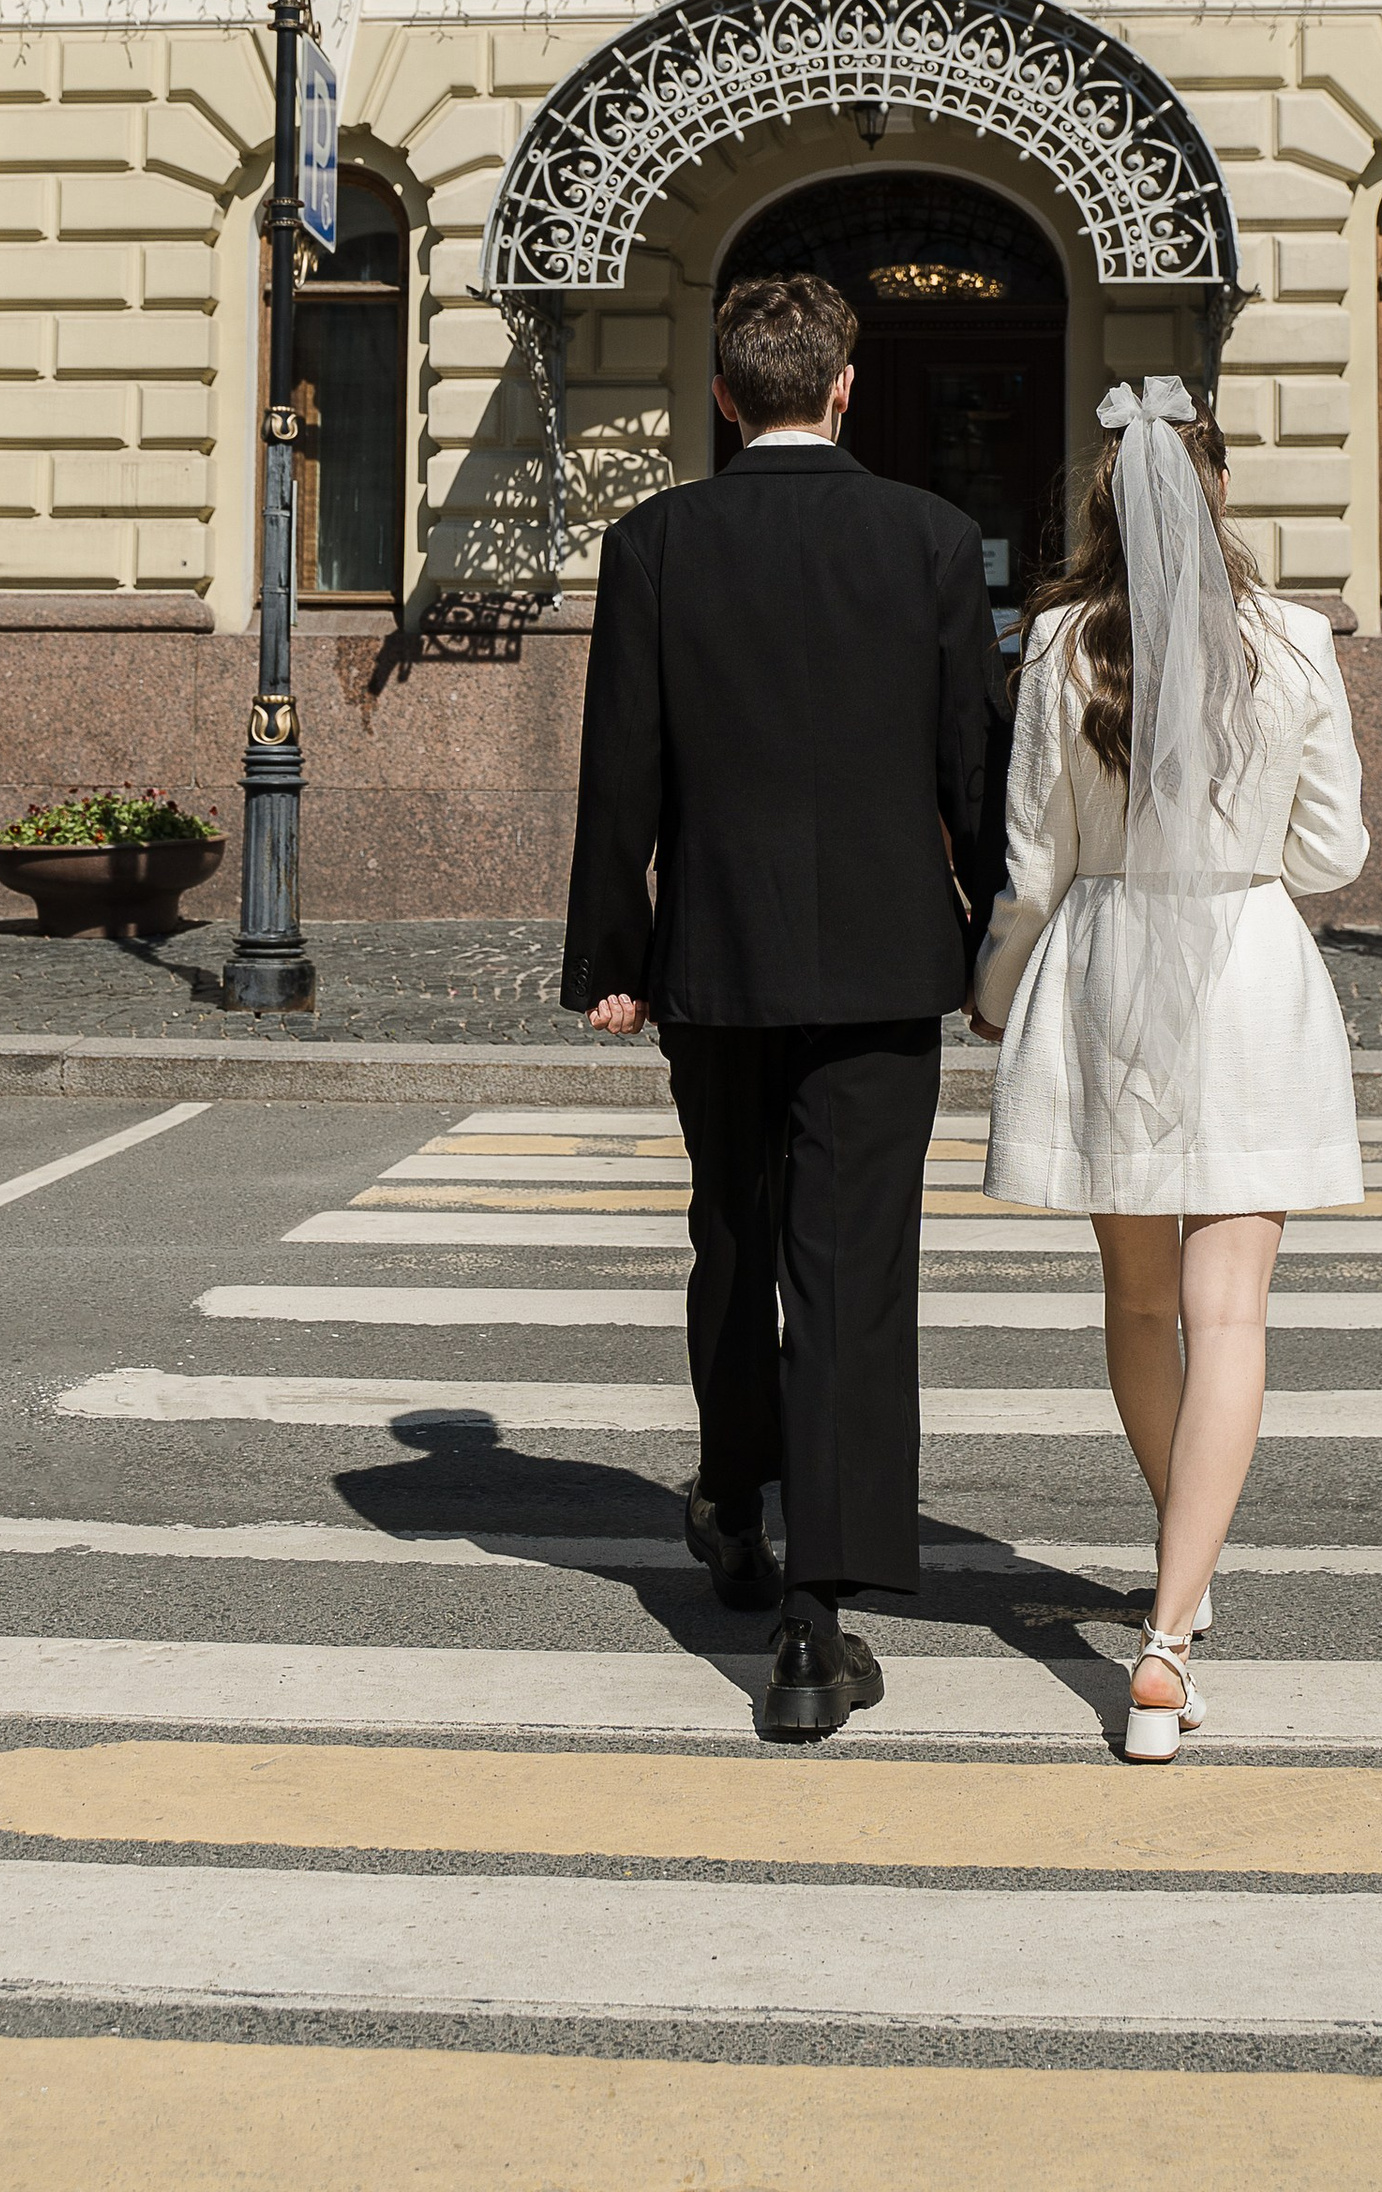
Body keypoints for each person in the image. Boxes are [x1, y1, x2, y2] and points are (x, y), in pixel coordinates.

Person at [561, 268, 1010, 1741]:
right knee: (850, 1277)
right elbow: (970, 767)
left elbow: (622, 767)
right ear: (843, 386)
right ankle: (820, 1615)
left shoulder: (657, 542)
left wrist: (611, 957)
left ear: (721, 393)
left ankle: (733, 1511)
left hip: (717, 957)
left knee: (734, 1236)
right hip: (886, 963)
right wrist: (1001, 940)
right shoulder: (934, 540)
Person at [969, 375, 1366, 1763]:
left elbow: (1032, 865)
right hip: (1246, 968)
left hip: (1106, 965)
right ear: (1219, 494)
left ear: (1105, 501)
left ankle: (1177, 1582)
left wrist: (997, 995)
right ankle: (1166, 1632)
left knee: (1140, 1303)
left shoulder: (1066, 642)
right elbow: (1336, 853)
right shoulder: (1296, 641)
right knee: (1233, 1314)